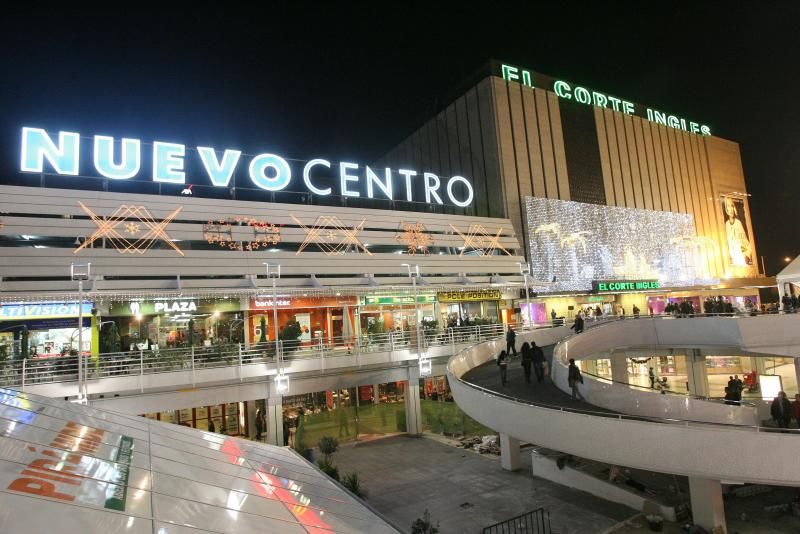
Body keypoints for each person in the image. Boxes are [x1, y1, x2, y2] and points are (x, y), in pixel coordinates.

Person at [723, 196, 752, 266]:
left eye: (732, 206)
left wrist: (747, 256)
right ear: (726, 208)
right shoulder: (726, 225)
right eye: (728, 206)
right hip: (732, 261)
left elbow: (747, 244)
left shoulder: (738, 223)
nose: (731, 209)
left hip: (741, 260)